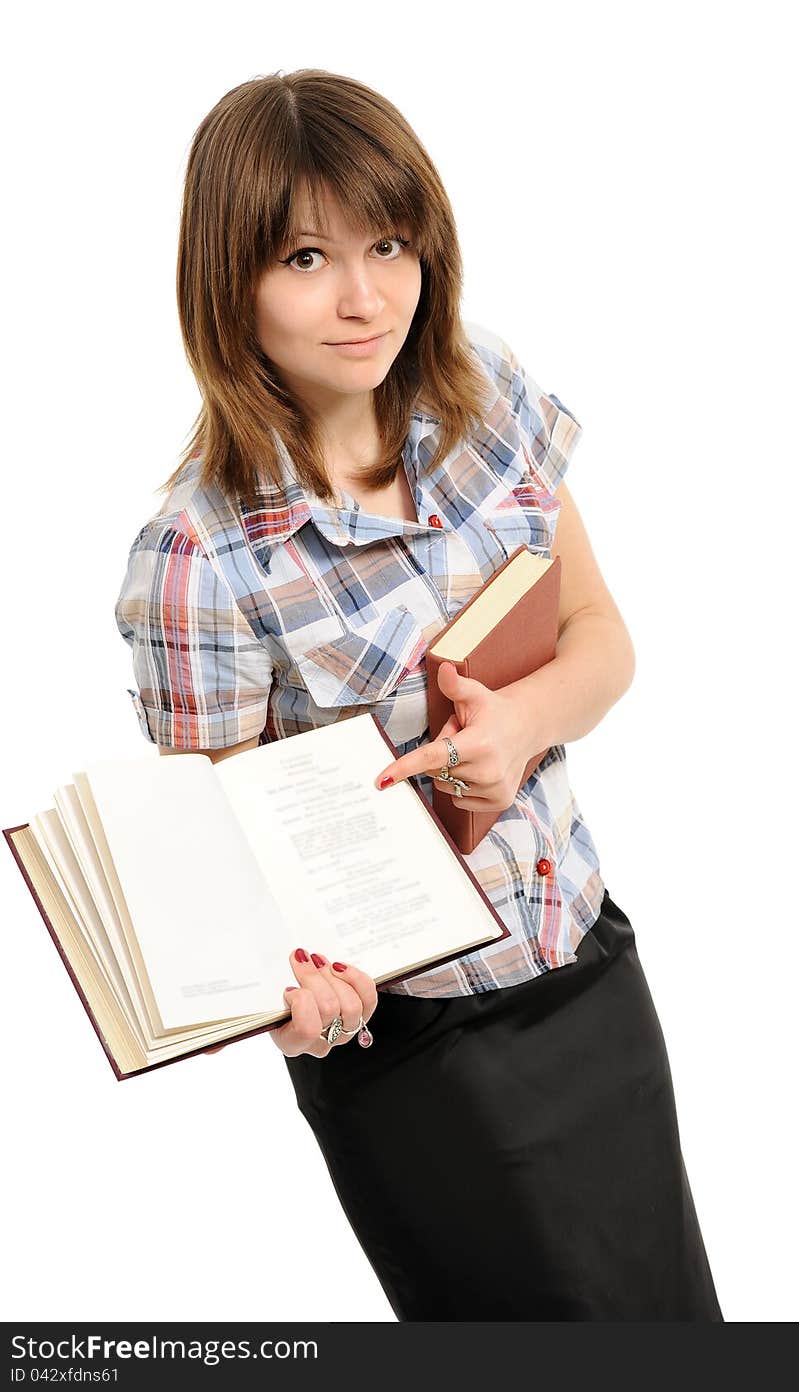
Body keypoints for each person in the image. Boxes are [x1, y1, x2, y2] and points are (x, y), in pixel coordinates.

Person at [114, 68, 724, 1321]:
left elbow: (604, 639)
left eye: (390, 243)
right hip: (424, 1061)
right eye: (305, 255)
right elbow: (213, 897)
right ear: (226, 279)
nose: (365, 295)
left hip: (589, 964)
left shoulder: (480, 386)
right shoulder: (198, 560)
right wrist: (289, 1005)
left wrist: (525, 723)